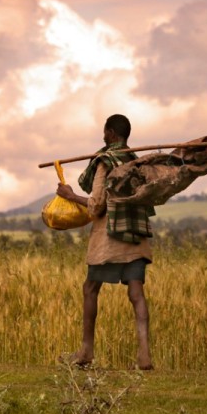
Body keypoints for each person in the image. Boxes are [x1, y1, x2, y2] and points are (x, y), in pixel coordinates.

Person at [56, 114, 155, 370]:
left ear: (110, 133)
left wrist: (70, 195)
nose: (103, 137)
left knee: (90, 288)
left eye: (104, 132)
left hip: (110, 239)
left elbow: (96, 205)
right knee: (136, 293)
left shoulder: (106, 162)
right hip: (137, 236)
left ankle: (86, 352)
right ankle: (144, 356)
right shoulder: (137, 162)